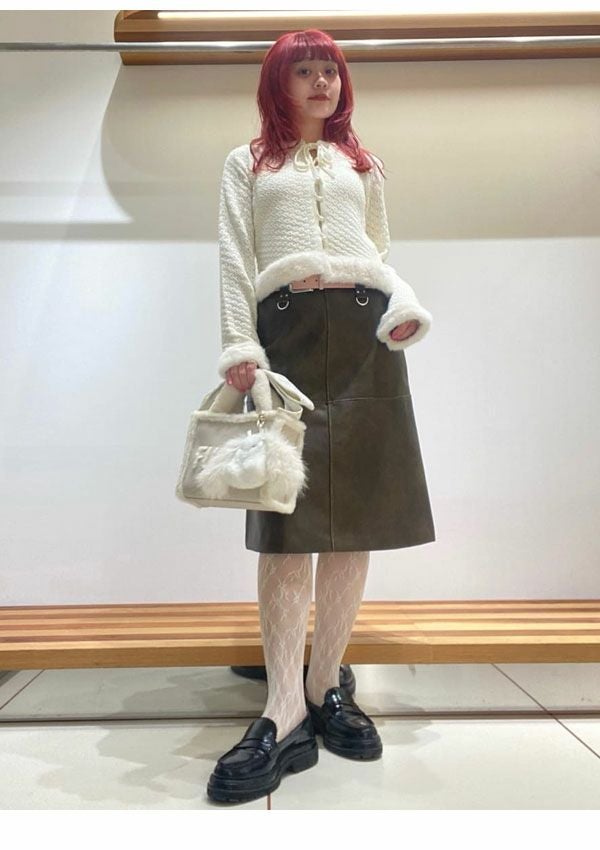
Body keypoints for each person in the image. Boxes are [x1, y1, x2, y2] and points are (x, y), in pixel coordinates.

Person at [206, 28, 435, 805]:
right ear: (277, 82)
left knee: (355, 518)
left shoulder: (362, 165)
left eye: (329, 70)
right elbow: (235, 257)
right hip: (289, 337)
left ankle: (327, 680)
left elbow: (381, 252)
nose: (320, 82)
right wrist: (240, 344)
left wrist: (403, 307)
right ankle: (284, 706)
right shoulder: (247, 163)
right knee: (287, 521)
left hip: (368, 341)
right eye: (303, 70)